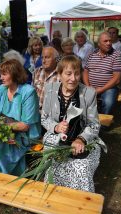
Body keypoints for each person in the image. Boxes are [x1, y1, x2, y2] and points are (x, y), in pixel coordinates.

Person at [0, 59, 41, 206]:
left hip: (25, 136)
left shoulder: (28, 92)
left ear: (14, 74)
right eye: (0, 74)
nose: (1, 77)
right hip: (5, 131)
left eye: (4, 74)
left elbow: (26, 125)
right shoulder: (1, 89)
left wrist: (2, 129)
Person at [41, 55, 102, 192]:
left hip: (83, 139)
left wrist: (81, 139)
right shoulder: (50, 89)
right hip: (57, 138)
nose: (73, 78)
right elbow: (44, 118)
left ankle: (79, 202)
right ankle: (53, 196)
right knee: (53, 163)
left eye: (77, 74)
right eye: (68, 74)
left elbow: (94, 124)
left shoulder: (88, 93)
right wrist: (55, 127)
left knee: (81, 168)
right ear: (59, 74)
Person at [83, 32, 121, 115]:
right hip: (91, 87)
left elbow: (117, 79)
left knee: (108, 102)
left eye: (110, 41)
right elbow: (85, 72)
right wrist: (88, 86)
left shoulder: (116, 55)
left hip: (108, 88)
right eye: (105, 41)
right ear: (99, 44)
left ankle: (104, 123)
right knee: (79, 98)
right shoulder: (92, 55)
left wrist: (101, 89)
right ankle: (87, 119)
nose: (108, 43)